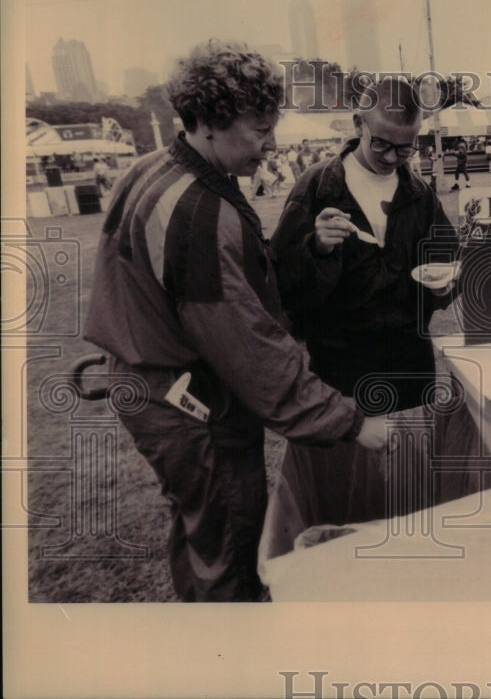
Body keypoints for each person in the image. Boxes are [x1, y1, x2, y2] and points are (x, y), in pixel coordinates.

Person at [83, 40, 389, 602]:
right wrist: (346, 421)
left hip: (153, 387)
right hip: (191, 405)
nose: (272, 145)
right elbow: (247, 344)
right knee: (228, 544)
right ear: (208, 122)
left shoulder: (152, 169)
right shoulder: (200, 212)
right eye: (260, 130)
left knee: (201, 530)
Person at [270, 77, 479, 529]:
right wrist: (316, 249)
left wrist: (446, 285)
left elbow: (445, 261)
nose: (392, 158)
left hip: (409, 359)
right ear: (357, 123)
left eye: (406, 149)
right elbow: (284, 291)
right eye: (382, 144)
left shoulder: (418, 193)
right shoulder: (316, 189)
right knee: (351, 488)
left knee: (415, 481)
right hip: (342, 364)